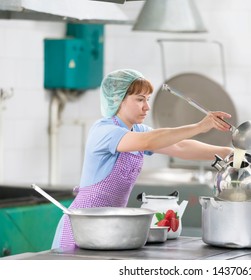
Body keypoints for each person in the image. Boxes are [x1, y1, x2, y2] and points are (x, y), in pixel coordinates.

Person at [52, 69, 233, 249]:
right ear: (118, 100)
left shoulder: (138, 130)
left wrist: (229, 153)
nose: (147, 106)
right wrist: (200, 126)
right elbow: (148, 142)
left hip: (110, 227)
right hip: (83, 228)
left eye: (147, 99)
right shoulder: (104, 131)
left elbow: (180, 146)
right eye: (140, 99)